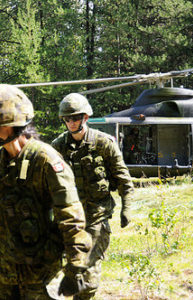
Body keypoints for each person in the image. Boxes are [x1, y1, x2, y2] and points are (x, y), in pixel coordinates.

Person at [0, 84, 92, 299]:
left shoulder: (46, 161)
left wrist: (75, 268)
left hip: (41, 276)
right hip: (1, 276)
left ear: (5, 124)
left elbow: (71, 219)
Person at [51, 93, 135, 299]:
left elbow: (124, 179)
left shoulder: (103, 143)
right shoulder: (58, 146)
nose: (71, 123)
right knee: (70, 266)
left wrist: (127, 207)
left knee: (87, 273)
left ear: (85, 117)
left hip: (97, 215)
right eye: (67, 119)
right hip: (70, 217)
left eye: (75, 118)